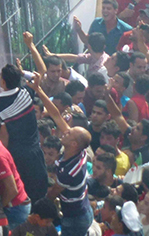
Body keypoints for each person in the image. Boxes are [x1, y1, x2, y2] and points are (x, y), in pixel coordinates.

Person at [31, 74, 94, 236]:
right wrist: (38, 90)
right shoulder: (76, 150)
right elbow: (56, 115)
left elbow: (52, 194)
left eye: (69, 133)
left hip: (75, 219)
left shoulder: (70, 170)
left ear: (73, 144)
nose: (66, 131)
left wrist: (37, 210)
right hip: (80, 211)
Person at [0, 63, 48, 203]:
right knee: (38, 193)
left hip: (17, 157)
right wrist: (21, 73)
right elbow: (37, 76)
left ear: (3, 81)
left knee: (23, 195)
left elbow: (4, 137)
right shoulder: (26, 93)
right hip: (36, 153)